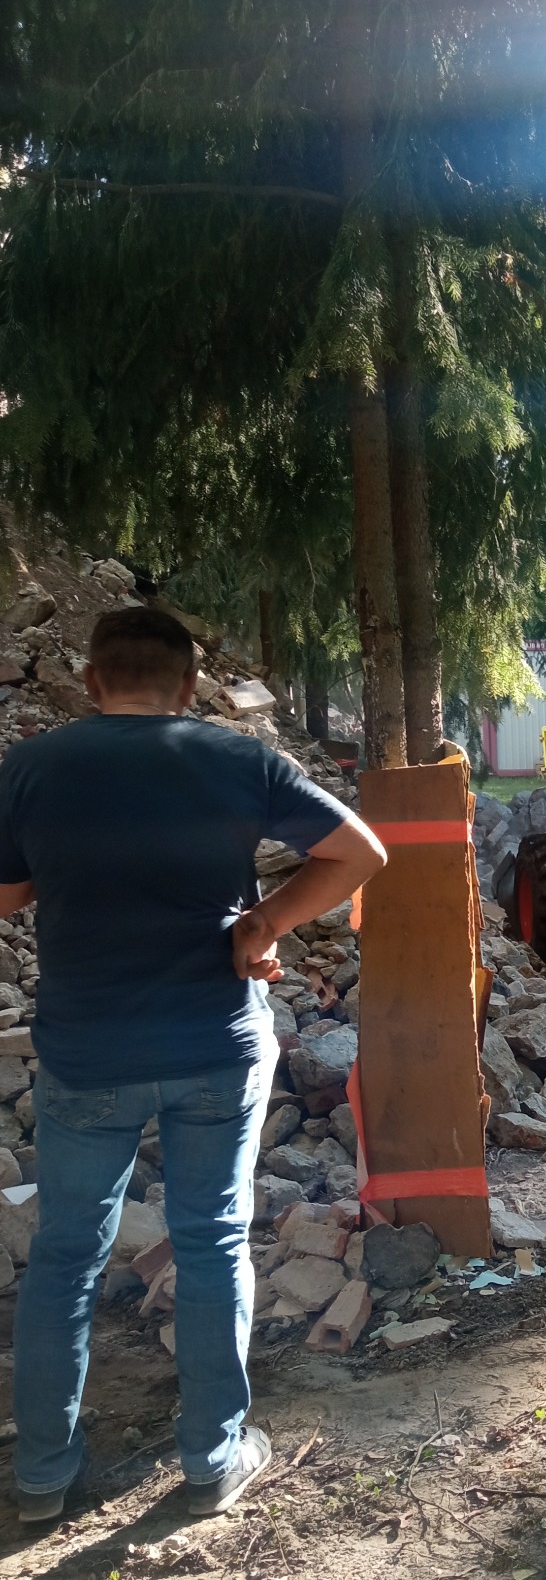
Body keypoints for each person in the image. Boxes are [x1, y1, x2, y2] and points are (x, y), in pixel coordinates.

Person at [0, 606, 386, 1524]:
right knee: (212, 1237)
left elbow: (8, 893)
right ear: (184, 687)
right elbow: (359, 852)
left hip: (87, 1052)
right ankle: (213, 1459)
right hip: (215, 1043)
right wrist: (261, 925)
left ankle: (44, 1476)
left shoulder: (34, 765)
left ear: (92, 683)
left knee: (63, 1256)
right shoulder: (232, 756)